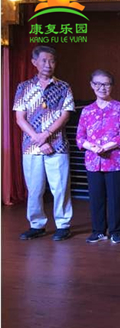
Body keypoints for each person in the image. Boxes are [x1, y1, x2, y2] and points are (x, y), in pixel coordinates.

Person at [14, 46, 74, 241]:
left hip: (58, 145)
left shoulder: (63, 87)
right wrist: (38, 139)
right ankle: (36, 225)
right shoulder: (23, 87)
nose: (48, 65)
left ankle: (63, 225)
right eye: (44, 60)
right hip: (31, 146)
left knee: (60, 187)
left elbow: (65, 115)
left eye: (52, 61)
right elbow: (20, 118)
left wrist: (46, 135)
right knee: (35, 188)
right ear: (34, 62)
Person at [76, 70, 120, 244]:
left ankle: (116, 232)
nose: (102, 88)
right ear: (92, 85)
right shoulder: (86, 110)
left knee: (116, 197)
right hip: (93, 161)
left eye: (106, 84)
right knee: (96, 198)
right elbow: (80, 137)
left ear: (112, 86)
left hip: (115, 160)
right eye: (98, 84)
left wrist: (105, 147)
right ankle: (98, 231)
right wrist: (93, 148)